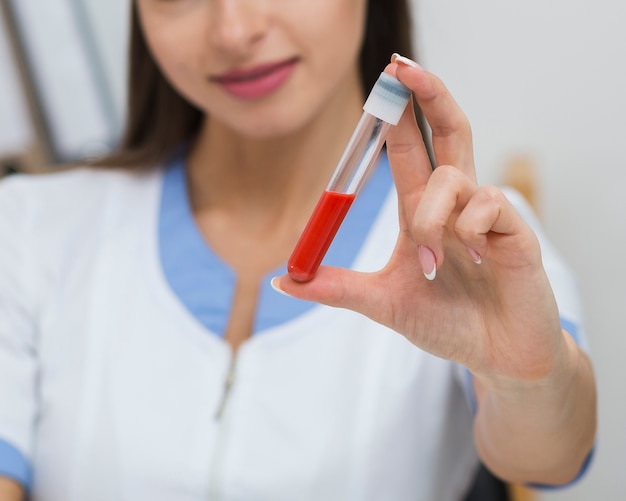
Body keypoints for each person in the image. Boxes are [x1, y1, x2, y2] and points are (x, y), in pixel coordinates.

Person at [0, 0, 596, 500]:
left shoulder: (475, 244)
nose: (235, 31)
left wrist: (529, 381)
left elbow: (547, 457)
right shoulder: (29, 228)